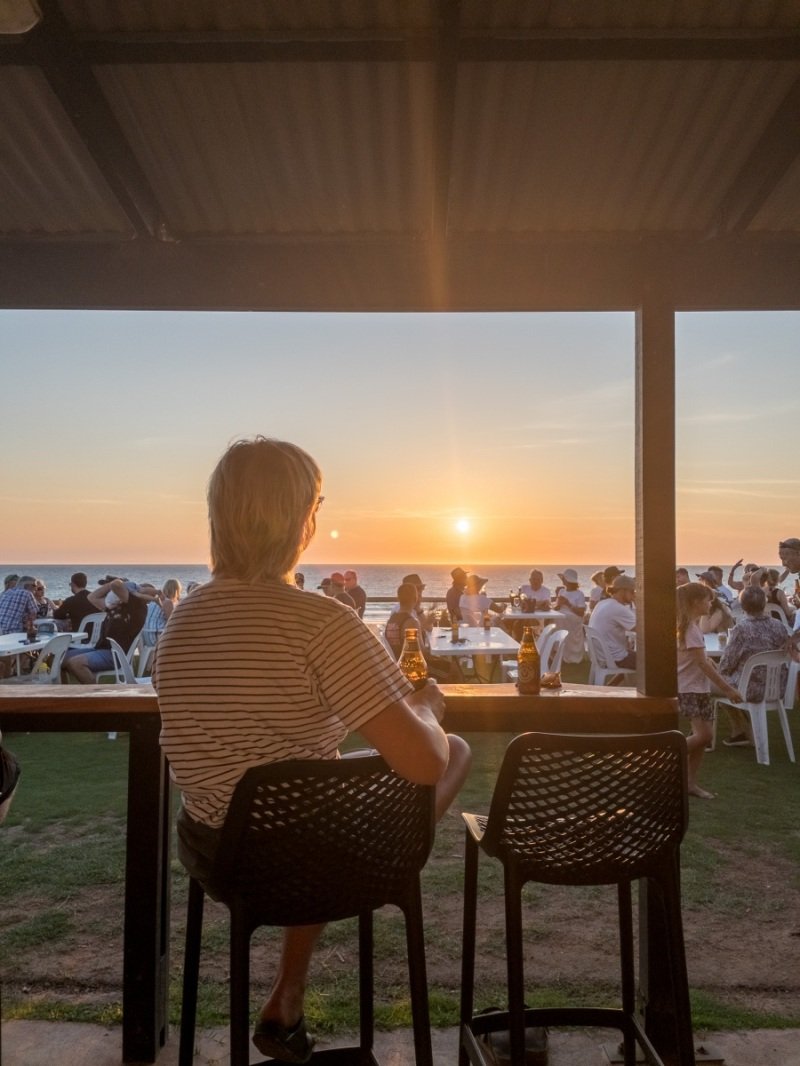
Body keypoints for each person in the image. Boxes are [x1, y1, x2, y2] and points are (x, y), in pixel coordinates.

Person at [154, 436, 470, 1063]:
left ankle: (288, 994)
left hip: (214, 850)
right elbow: (423, 763)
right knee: (453, 748)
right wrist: (426, 708)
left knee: (311, 808)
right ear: (304, 520)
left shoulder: (182, 620)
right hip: (305, 852)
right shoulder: (322, 623)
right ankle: (375, 871)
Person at [676, 582, 742, 800]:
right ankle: (665, 758)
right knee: (704, 735)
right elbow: (701, 664)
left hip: (698, 688)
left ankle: (689, 783)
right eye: (707, 599)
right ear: (695, 602)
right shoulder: (690, 629)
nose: (711, 603)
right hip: (690, 688)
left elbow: (704, 661)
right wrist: (728, 689)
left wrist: (713, 667)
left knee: (703, 738)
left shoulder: (690, 626)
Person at [717, 585, 790, 747]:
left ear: (742, 606)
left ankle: (740, 730)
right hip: (777, 688)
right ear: (764, 604)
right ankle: (740, 731)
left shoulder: (741, 629)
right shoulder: (779, 626)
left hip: (749, 690)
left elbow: (725, 666)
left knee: (716, 681)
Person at [62, 577, 151, 683]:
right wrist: (109, 585)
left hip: (116, 654)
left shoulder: (138, 608)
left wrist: (117, 582)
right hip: (101, 649)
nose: (132, 589)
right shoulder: (117, 605)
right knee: (59, 658)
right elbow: (92, 597)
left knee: (76, 663)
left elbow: (117, 586)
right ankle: (64, 694)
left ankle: (97, 696)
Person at [384, 583, 457, 682]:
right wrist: (437, 653)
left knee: (446, 663)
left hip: (397, 664)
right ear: (415, 599)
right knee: (453, 668)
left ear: (398, 598)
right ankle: (452, 696)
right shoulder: (411, 622)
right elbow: (421, 654)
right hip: (412, 668)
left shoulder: (392, 619)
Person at [589, 574, 637, 670]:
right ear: (623, 591)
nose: (634, 594)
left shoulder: (602, 603)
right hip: (615, 658)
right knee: (655, 659)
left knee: (638, 655)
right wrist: (638, 603)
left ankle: (614, 684)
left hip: (602, 655)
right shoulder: (618, 608)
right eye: (632, 591)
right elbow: (643, 629)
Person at [553, 568, 587, 663]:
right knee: (556, 618)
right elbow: (556, 608)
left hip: (574, 617)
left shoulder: (579, 594)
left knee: (564, 618)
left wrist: (568, 603)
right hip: (561, 616)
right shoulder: (561, 592)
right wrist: (559, 604)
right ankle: (558, 652)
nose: (563, 580)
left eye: (564, 579)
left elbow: (581, 612)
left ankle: (571, 656)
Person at [143, 578, 183, 646]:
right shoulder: (168, 602)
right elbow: (171, 622)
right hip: (155, 635)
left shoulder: (155, 600)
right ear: (176, 591)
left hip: (146, 635)